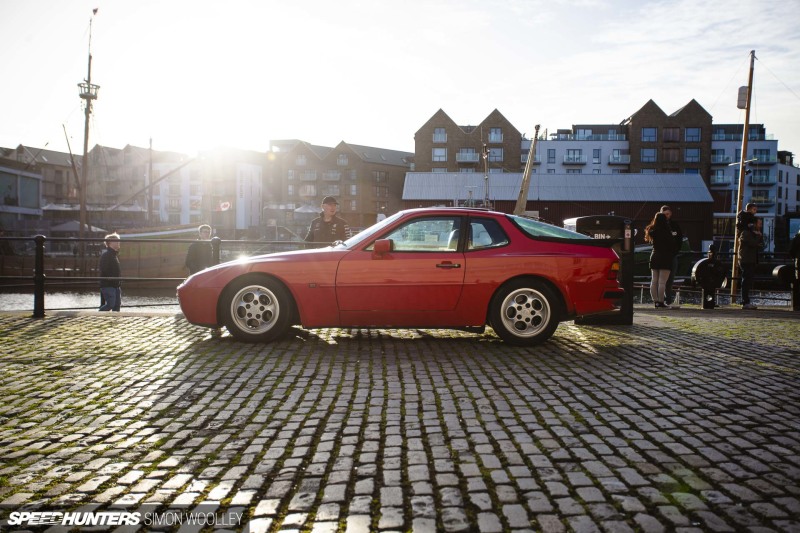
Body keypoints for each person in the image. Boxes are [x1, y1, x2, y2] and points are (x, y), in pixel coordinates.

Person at [644, 212, 675, 309]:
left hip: (654, 255)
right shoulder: (667, 231)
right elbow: (672, 245)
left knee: (654, 281)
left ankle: (656, 302)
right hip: (665, 257)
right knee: (662, 282)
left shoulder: (652, 230)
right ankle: (661, 302)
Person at [738, 217, 764, 310]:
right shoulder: (746, 233)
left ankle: (746, 301)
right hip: (746, 260)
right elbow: (753, 243)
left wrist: (758, 238)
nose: (760, 226)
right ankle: (745, 302)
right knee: (746, 281)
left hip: (750, 260)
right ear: (754, 224)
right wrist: (758, 236)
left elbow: (760, 245)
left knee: (747, 281)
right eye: (759, 224)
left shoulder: (751, 233)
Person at [660, 205, 684, 305]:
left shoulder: (674, 225)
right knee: (661, 279)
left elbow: (679, 239)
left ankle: (668, 298)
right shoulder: (658, 226)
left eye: (668, 214)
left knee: (671, 278)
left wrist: (676, 250)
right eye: (665, 214)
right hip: (662, 255)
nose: (667, 216)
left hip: (672, 255)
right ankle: (660, 299)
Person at [695, 244, 727, 309]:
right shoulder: (707, 264)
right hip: (709, 281)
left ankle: (709, 303)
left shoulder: (707, 264)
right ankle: (709, 303)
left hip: (709, 281)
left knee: (709, 290)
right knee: (709, 290)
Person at [98, 233, 122, 312]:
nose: (119, 242)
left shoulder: (114, 255)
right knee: (111, 304)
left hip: (116, 286)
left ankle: (114, 322)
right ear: (110, 243)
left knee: (117, 306)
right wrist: (112, 279)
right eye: (117, 241)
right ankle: (97, 316)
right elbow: (104, 269)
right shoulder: (106, 255)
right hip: (108, 285)